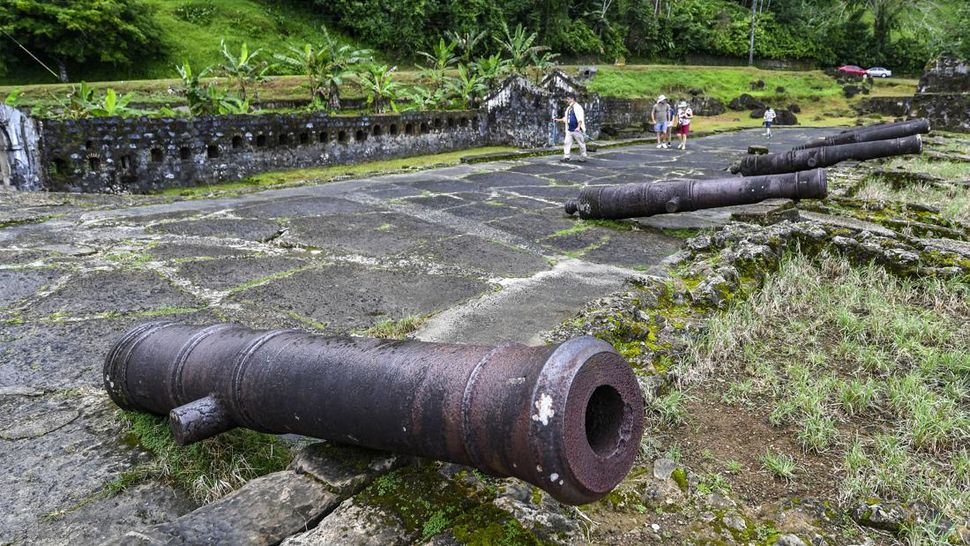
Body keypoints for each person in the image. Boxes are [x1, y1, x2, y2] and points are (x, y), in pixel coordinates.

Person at [554, 94, 587, 162]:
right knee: (566, 142)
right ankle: (566, 156)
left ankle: (583, 157)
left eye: (568, 99)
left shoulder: (578, 107)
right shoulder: (569, 108)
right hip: (569, 130)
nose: (567, 100)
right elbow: (566, 118)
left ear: (573, 99)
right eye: (567, 99)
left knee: (581, 144)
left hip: (577, 130)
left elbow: (580, 118)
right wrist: (558, 120)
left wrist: (578, 127)